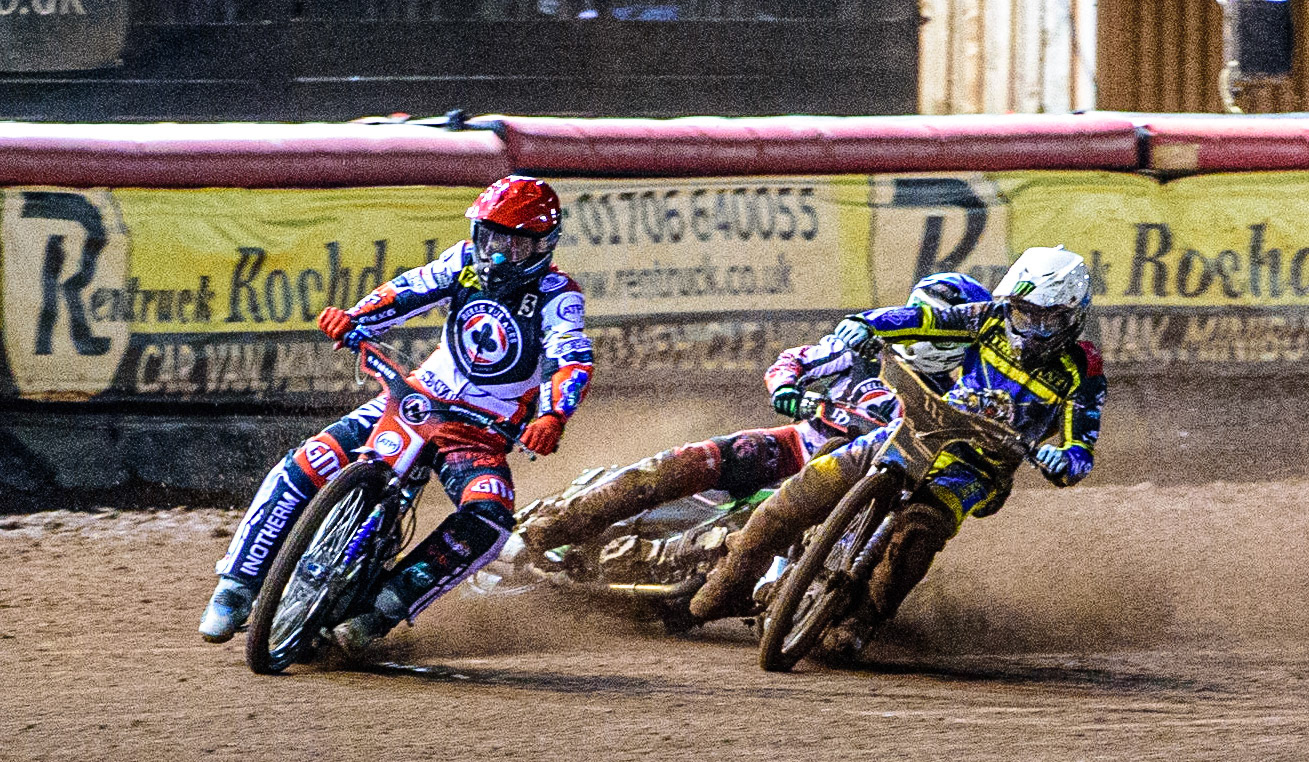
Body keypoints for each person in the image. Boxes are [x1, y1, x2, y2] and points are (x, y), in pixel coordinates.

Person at [199, 175, 594, 651]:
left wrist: (553, 415)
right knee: (306, 462)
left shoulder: (559, 296)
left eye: (511, 243)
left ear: (540, 246)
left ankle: (382, 611)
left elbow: (569, 357)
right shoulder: (463, 262)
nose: (494, 253)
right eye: (487, 236)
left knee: (488, 520)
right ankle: (236, 586)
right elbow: (409, 289)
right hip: (412, 400)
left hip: (476, 434)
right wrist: (355, 318)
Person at [689, 246, 1107, 631]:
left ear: (1073, 318)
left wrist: (1064, 460)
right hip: (920, 428)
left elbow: (1080, 448)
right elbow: (925, 320)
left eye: (1048, 319)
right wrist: (866, 323)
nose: (1032, 330)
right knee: (807, 487)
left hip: (978, 469)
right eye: (1024, 313)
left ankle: (860, 625)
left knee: (918, 533)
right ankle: (733, 576)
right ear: (1009, 305)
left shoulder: (1083, 370)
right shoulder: (989, 317)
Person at [515, 272, 992, 598]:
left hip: (857, 491)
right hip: (792, 449)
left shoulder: (963, 394)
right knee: (678, 466)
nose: (945, 340)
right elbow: (795, 360)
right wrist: (789, 389)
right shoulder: (867, 350)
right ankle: (550, 530)